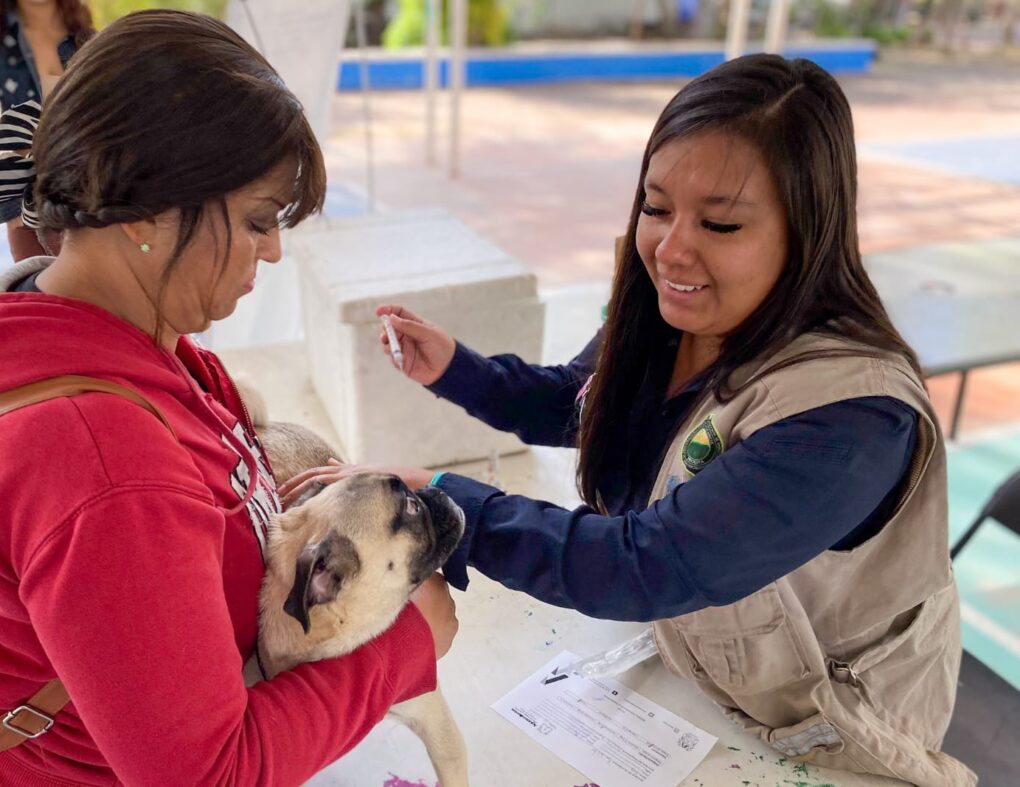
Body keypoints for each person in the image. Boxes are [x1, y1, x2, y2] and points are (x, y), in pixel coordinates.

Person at [280, 55, 975, 786]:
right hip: (705, 662)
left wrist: (446, 503)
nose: (671, 249)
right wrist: (457, 367)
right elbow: (580, 399)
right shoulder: (671, 313)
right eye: (655, 206)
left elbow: (648, 562)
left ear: (808, 228)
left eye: (720, 222)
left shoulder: (850, 418)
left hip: (833, 728)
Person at [0, 11, 455, 785]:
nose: (273, 249)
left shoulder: (85, 333)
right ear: (146, 210)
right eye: (255, 219)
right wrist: (409, 644)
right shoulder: (103, 462)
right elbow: (207, 772)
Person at [0, 0, 93, 260]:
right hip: (27, 198)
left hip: (88, 193)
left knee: (96, 295)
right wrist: (8, 204)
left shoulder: (83, 33)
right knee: (40, 296)